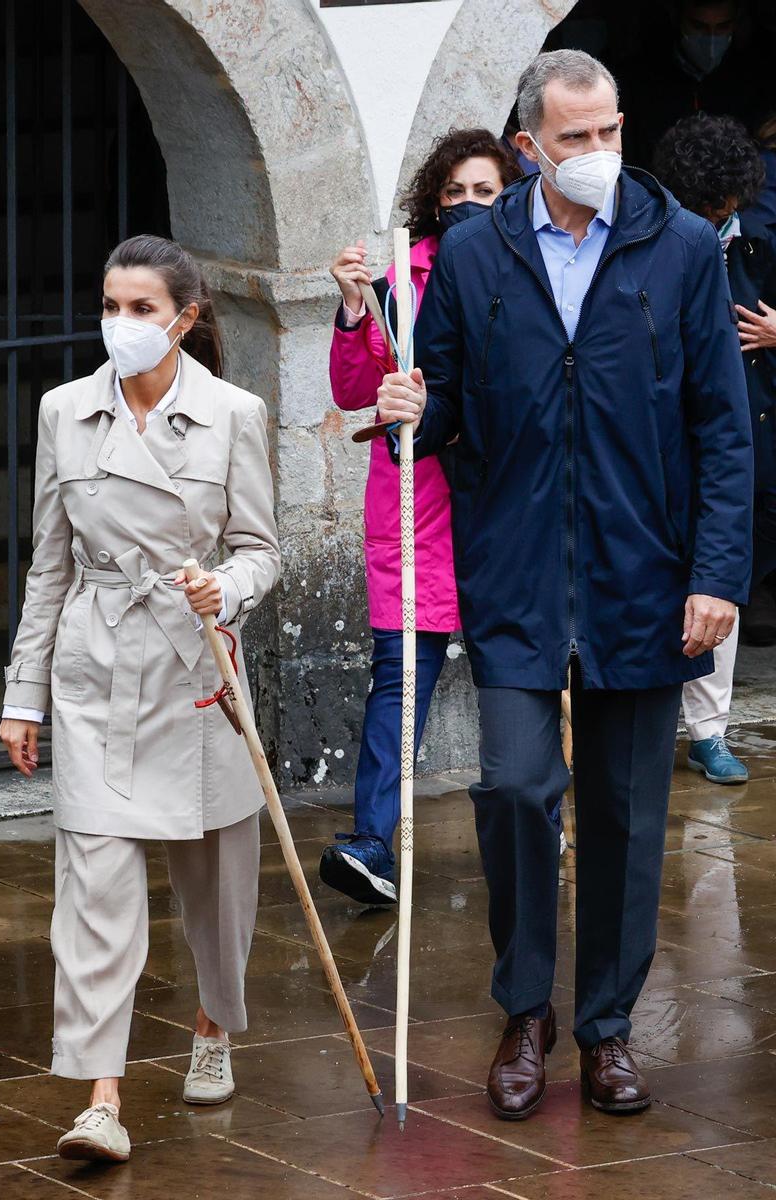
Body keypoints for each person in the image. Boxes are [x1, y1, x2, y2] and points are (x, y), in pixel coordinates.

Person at [378, 50, 752, 1120]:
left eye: (607, 134)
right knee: (511, 785)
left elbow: (721, 431)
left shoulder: (678, 248)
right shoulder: (473, 253)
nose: (593, 156)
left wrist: (714, 574)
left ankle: (603, 1027)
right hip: (517, 574)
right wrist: (414, 414)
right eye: (571, 140)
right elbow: (441, 406)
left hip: (644, 577)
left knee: (628, 817)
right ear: (526, 145)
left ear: (621, 127)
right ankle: (522, 1010)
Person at [0, 235, 280, 1163]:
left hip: (195, 666)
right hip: (95, 668)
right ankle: (100, 1096)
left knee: (219, 886)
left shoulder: (235, 412)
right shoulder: (62, 411)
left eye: (142, 310)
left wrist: (227, 589)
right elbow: (48, 564)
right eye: (111, 306)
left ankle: (211, 1027)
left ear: (186, 318)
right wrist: (24, 695)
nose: (120, 325)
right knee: (94, 892)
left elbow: (262, 549)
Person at [318, 129, 519, 906]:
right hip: (418, 505)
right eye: (455, 193)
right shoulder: (402, 277)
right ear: (433, 200)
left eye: (486, 193)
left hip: (507, 504)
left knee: (525, 676)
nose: (468, 205)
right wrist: (350, 306)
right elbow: (352, 388)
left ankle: (534, 817)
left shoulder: (532, 272)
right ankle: (372, 842)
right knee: (401, 675)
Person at [654, 112, 776, 780]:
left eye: (727, 208)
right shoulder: (655, 240)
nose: (719, 218)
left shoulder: (755, 241)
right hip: (661, 437)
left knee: (719, 579)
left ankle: (709, 730)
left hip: (742, 429)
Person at [617, 0, 767, 171]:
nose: (711, 38)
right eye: (698, 26)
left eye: (722, 27)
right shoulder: (638, 80)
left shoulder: (750, 81)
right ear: (677, 18)